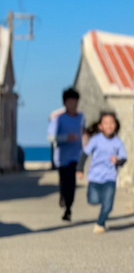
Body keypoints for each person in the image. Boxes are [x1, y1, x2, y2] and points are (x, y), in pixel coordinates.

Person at [76, 111, 126, 234]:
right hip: (95, 177)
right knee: (93, 200)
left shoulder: (118, 142)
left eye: (112, 123)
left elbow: (124, 158)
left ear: (116, 125)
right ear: (100, 126)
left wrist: (118, 161)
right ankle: (93, 198)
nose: (109, 126)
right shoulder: (96, 140)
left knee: (108, 206)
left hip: (110, 177)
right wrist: (79, 169)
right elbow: (85, 154)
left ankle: (100, 223)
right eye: (106, 123)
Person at [47, 88, 85, 221]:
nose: (73, 104)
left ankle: (68, 208)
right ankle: (63, 197)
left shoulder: (81, 118)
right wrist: (66, 138)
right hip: (62, 157)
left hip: (76, 155)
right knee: (64, 182)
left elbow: (84, 133)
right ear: (65, 103)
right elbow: (51, 137)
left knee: (72, 183)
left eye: (75, 101)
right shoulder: (58, 119)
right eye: (70, 102)